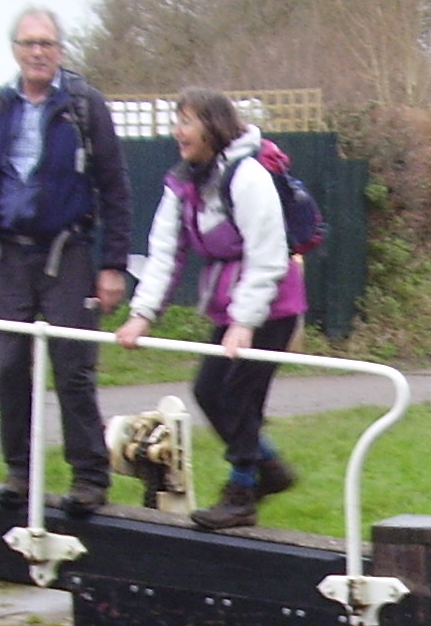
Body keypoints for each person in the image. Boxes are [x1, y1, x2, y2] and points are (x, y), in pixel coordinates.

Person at [0, 7, 129, 514]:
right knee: (6, 367)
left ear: (60, 50)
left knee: (73, 368)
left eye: (47, 43)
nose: (38, 52)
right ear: (15, 51)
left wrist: (112, 264)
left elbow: (114, 188)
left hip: (65, 251)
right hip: (5, 255)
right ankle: (20, 472)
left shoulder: (83, 105)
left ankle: (89, 478)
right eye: (29, 43)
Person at [115, 89, 301, 531]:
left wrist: (245, 322)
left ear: (213, 127)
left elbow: (269, 255)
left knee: (239, 396)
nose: (178, 132)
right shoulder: (183, 183)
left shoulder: (248, 176)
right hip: (230, 308)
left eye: (187, 122)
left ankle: (242, 491)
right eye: (177, 122)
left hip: (272, 307)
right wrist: (142, 314)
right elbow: (164, 252)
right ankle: (269, 468)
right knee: (209, 391)